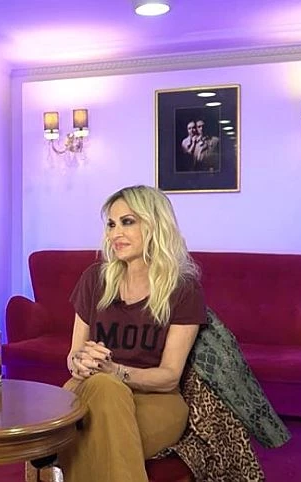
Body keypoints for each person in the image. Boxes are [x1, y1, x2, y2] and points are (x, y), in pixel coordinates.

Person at [58, 185, 208, 482]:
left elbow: (170, 376)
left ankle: (54, 455)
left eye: (127, 222)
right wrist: (80, 363)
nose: (115, 233)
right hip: (89, 390)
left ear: (154, 225)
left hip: (156, 399)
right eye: (111, 224)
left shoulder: (183, 289)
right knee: (104, 388)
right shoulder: (94, 280)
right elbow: (73, 356)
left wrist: (114, 371)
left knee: (88, 432)